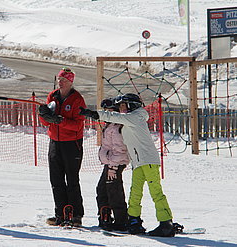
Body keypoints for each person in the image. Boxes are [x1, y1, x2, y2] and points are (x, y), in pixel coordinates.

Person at [79, 93, 175, 237]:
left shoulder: (135, 116)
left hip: (148, 161)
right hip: (137, 162)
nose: (120, 108)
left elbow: (116, 117)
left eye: (123, 105)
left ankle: (166, 223)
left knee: (156, 192)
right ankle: (134, 221)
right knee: (135, 193)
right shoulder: (129, 118)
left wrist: (94, 114)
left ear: (132, 105)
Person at [38, 67, 87, 227]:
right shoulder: (52, 96)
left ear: (70, 82)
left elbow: (78, 125)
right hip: (55, 142)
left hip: (72, 143)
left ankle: (76, 214)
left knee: (72, 179)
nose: (60, 82)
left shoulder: (77, 99)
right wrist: (44, 116)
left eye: (64, 80)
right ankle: (60, 213)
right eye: (59, 79)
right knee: (56, 179)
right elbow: (47, 122)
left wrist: (61, 121)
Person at [96, 97, 129, 232]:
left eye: (109, 111)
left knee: (114, 190)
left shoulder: (117, 127)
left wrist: (113, 165)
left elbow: (120, 149)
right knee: (102, 189)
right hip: (110, 162)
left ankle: (121, 220)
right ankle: (105, 215)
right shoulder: (109, 125)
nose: (107, 114)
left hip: (115, 163)